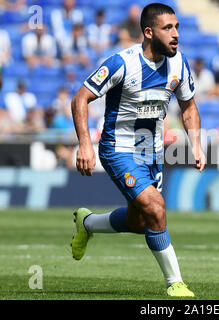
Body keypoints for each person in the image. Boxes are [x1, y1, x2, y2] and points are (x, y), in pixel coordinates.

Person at [70, 3, 205, 297]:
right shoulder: (122, 64)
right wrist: (84, 144)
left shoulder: (179, 63)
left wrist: (196, 143)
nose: (176, 34)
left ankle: (88, 222)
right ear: (148, 32)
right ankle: (175, 283)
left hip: (150, 152)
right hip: (118, 149)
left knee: (140, 221)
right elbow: (80, 98)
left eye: (177, 27)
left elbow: (189, 106)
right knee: (155, 208)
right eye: (168, 28)